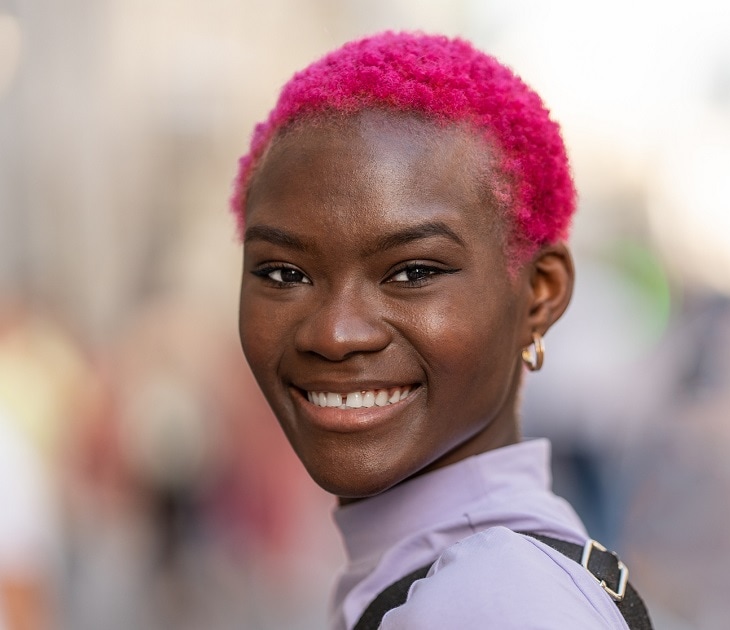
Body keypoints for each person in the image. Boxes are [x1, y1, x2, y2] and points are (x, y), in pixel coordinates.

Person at [232, 31, 651, 629]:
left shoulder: (492, 600)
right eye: (284, 272)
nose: (334, 333)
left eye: (412, 272)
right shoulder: (466, 578)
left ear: (540, 294)